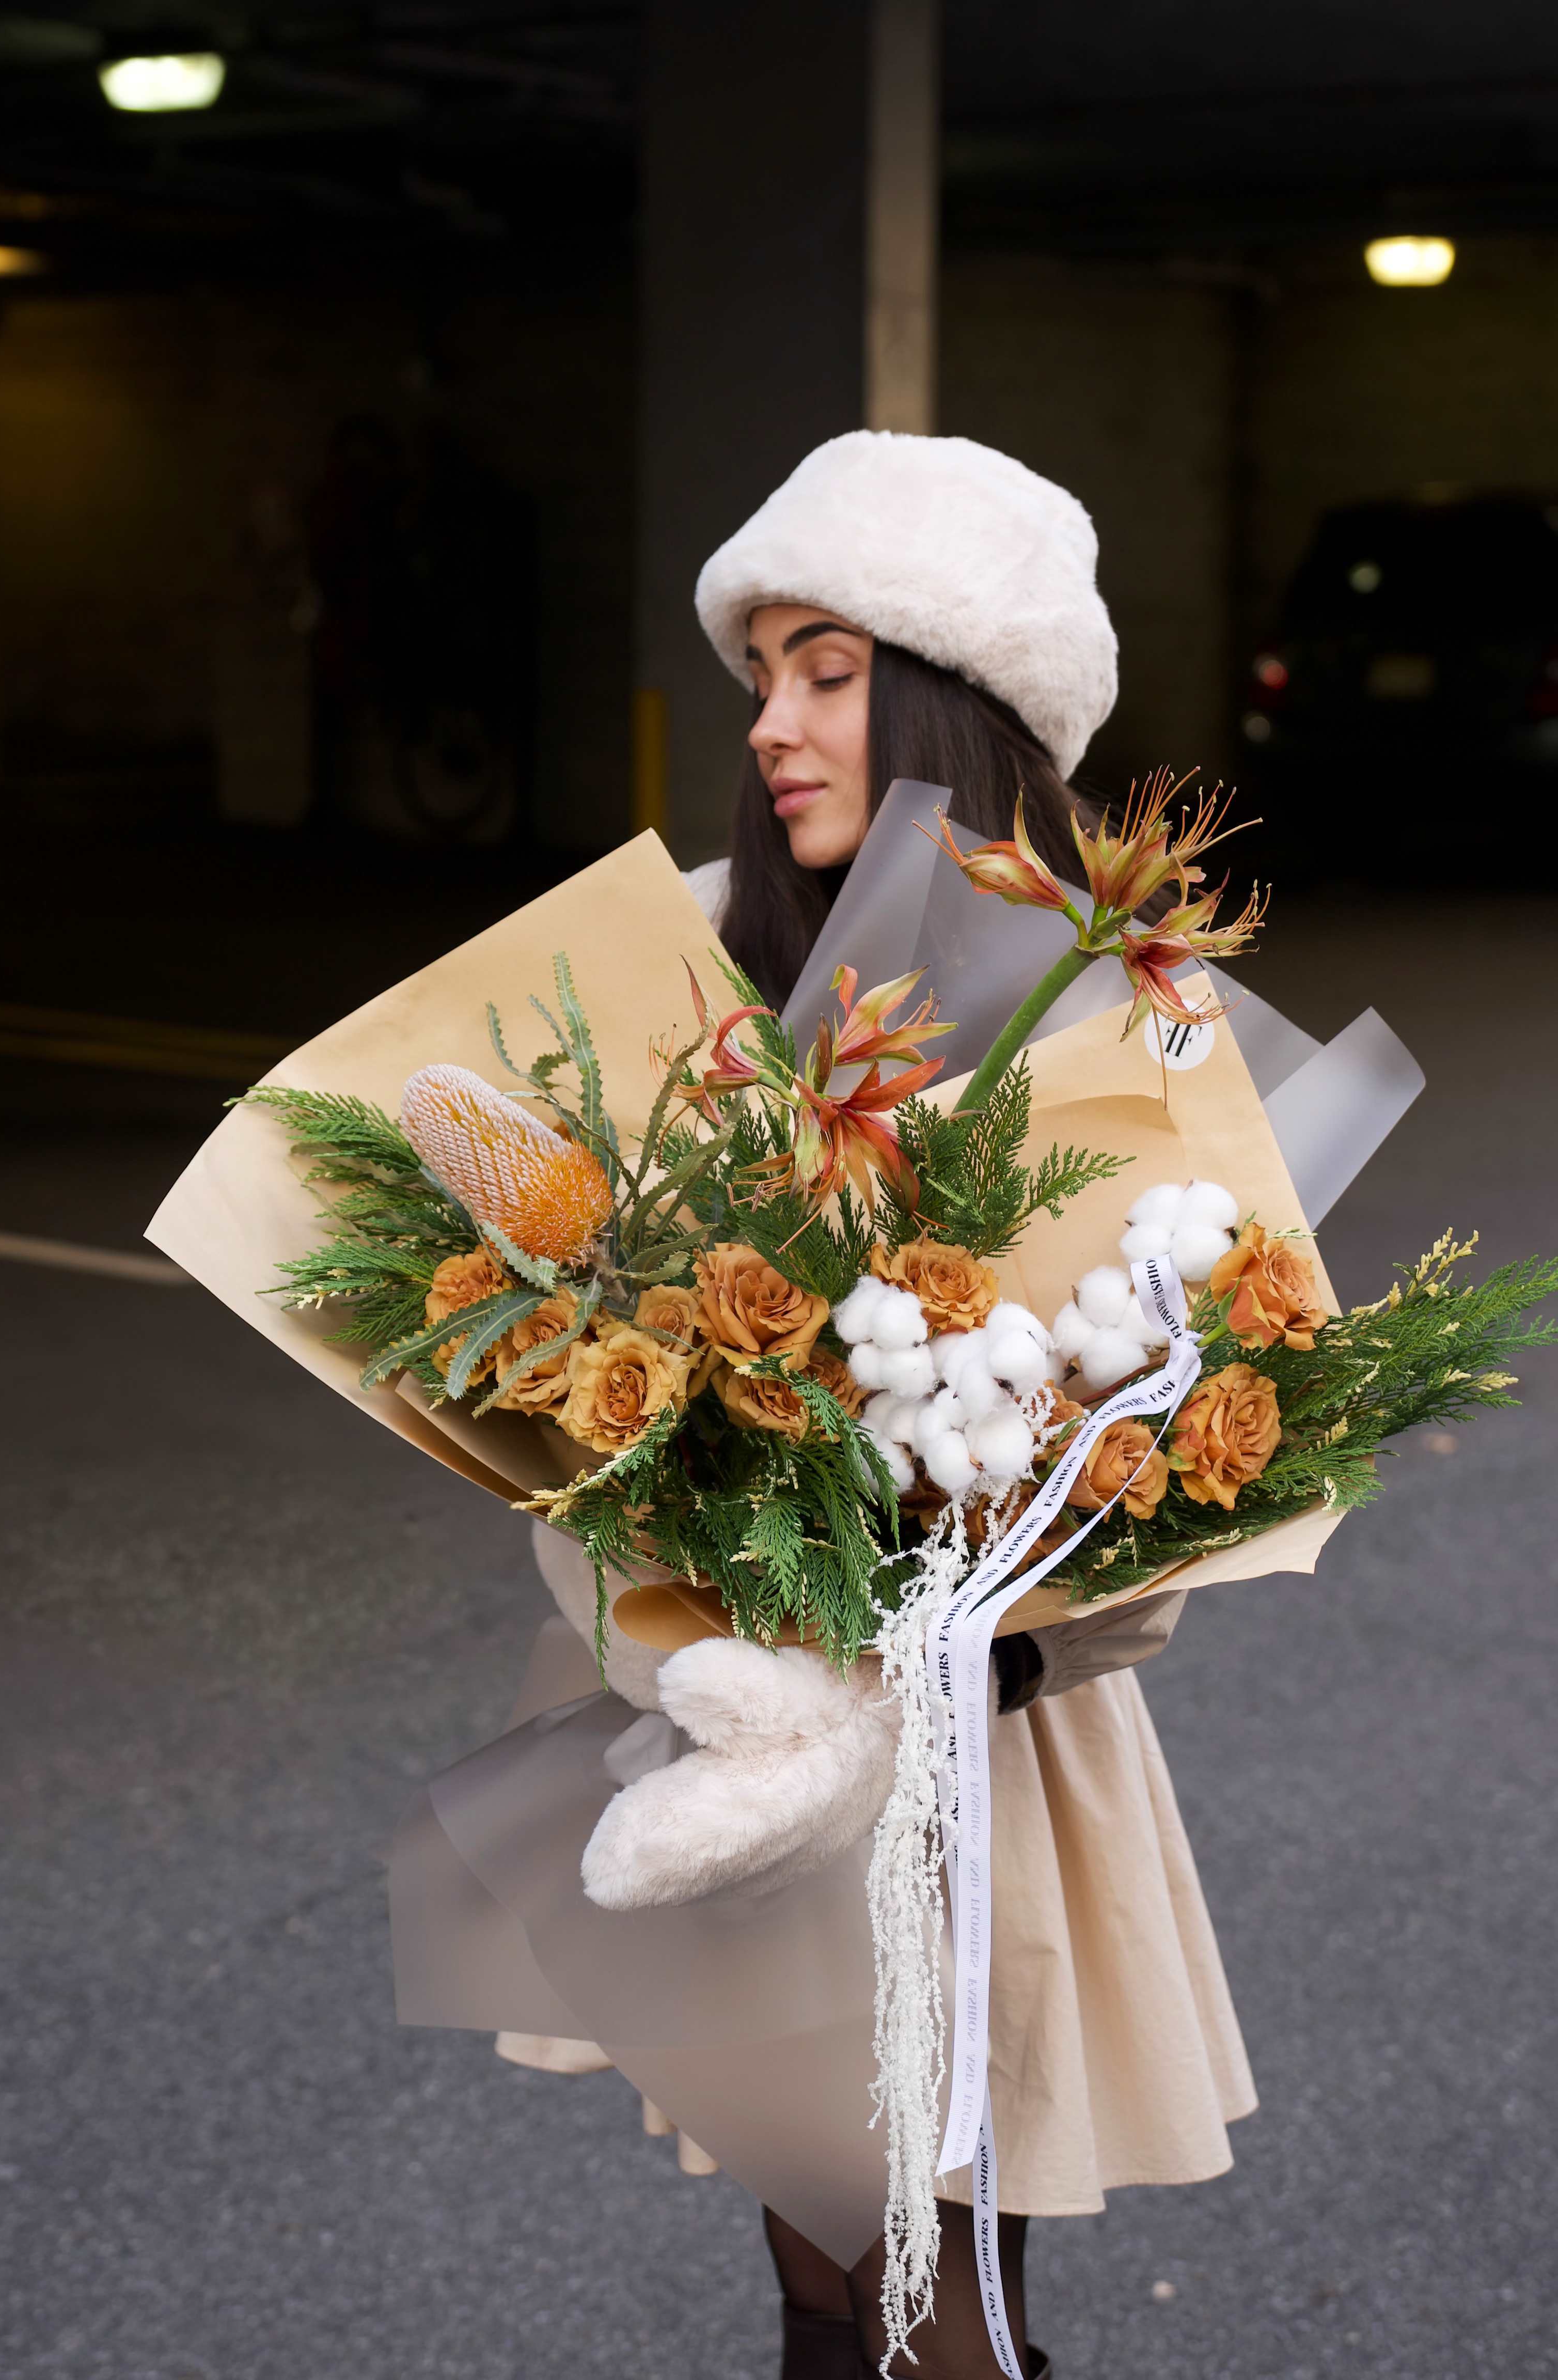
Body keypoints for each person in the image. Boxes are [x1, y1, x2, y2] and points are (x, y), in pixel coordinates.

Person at [515, 433, 1256, 2380]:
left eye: (827, 670)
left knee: (943, 2312)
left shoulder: (1117, 1003)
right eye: (760, 677)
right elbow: (572, 1353)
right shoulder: (703, 960)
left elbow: (1207, 1404)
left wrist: (1003, 1611)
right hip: (748, 1718)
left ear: (958, 699)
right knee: (821, 2288)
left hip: (981, 1747)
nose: (771, 723)